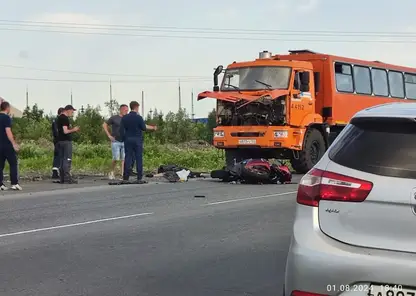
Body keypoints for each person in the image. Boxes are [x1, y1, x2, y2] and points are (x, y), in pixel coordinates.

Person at [120, 101, 156, 183]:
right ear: (136, 107)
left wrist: (123, 139)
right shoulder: (139, 118)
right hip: (137, 140)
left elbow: (121, 130)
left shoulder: (124, 118)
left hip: (128, 140)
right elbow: (143, 128)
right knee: (138, 158)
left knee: (128, 158)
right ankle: (139, 177)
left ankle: (126, 177)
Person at [102, 104, 129, 179]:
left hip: (125, 141)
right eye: (125, 110)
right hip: (115, 141)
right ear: (121, 110)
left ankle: (122, 174)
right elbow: (104, 125)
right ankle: (111, 171)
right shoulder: (114, 118)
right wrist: (109, 135)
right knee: (116, 158)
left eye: (127, 110)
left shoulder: (127, 118)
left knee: (123, 159)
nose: (126, 112)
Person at [0, 101, 21, 190]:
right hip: (7, 145)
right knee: (13, 163)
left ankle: (0, 184)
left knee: (0, 165)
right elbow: (8, 131)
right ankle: (14, 183)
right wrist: (14, 144)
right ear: (7, 108)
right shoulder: (6, 118)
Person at [56, 105, 80, 184]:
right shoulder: (65, 118)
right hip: (66, 141)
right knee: (67, 159)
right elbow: (65, 131)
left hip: (60, 141)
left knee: (62, 159)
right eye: (72, 111)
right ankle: (67, 178)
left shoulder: (59, 118)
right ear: (68, 110)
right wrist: (74, 129)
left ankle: (62, 178)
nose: (72, 113)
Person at [51, 107, 64, 179]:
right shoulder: (59, 120)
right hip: (59, 141)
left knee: (57, 156)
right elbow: (57, 131)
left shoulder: (54, 120)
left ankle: (55, 172)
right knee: (59, 156)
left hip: (56, 140)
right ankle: (57, 173)